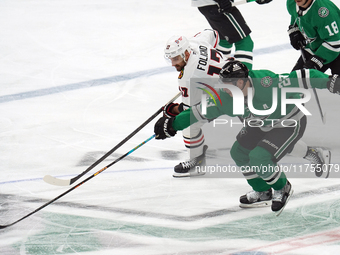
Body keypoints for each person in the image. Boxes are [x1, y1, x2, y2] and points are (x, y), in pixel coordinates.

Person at [154, 60, 339, 214]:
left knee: (260, 157)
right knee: (239, 152)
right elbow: (199, 111)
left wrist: (329, 81)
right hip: (259, 124)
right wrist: (172, 124)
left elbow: (301, 77)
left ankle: (282, 187)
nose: (225, 90)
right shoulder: (226, 97)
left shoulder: (266, 83)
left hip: (288, 122)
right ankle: (262, 191)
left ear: (242, 82)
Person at [163, 29, 229, 177]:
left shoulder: (188, 77)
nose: (173, 64)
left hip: (228, 95)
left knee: (191, 125)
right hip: (236, 75)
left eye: (176, 59)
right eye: (171, 59)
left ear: (186, 54)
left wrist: (173, 110)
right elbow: (213, 33)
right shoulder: (196, 42)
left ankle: (196, 162)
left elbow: (189, 111)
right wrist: (225, 57)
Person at [192, 0, 272, 70]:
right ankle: (241, 79)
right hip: (215, 4)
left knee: (224, 41)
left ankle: (219, 75)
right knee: (244, 42)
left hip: (207, 5)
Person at [287, 0, 340, 74]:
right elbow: (295, 14)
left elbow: (335, 42)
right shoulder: (292, 2)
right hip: (315, 47)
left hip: (336, 48)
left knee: (337, 84)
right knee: (295, 82)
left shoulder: (323, 12)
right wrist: (294, 29)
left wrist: (318, 59)